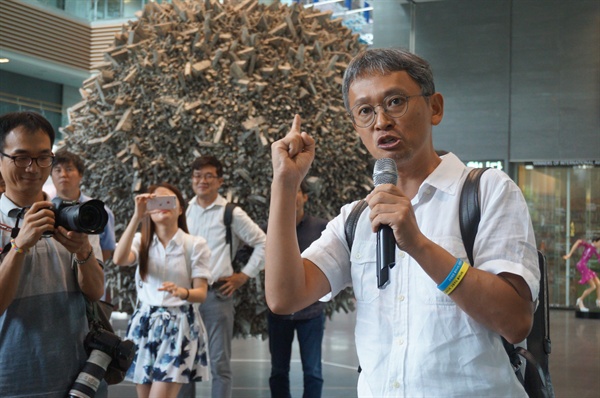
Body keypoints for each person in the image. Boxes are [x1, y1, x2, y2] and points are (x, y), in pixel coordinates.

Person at [265, 48, 540, 397]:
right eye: (365, 111)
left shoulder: (486, 192)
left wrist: (420, 246)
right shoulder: (356, 218)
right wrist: (285, 185)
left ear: (434, 107)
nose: (381, 121)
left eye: (395, 101)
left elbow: (516, 322)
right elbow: (284, 297)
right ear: (357, 126)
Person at [0, 111, 104, 397]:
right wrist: (20, 245)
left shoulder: (72, 217)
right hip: (11, 379)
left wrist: (82, 249)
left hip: (75, 378)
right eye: (21, 157)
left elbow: (95, 292)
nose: (33, 168)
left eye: (43, 157)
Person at [113, 182, 212, 398]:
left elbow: (201, 293)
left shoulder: (195, 244)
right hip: (144, 324)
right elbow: (119, 258)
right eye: (156, 202)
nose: (162, 207)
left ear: (181, 208)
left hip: (180, 326)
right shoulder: (141, 241)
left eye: (169, 201)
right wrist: (137, 217)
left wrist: (182, 292)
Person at [185, 155, 266, 398]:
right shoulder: (184, 211)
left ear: (220, 181)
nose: (203, 181)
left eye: (209, 176)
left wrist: (244, 276)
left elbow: (264, 243)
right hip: (186, 296)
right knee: (184, 361)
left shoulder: (231, 213)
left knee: (219, 363)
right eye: (198, 176)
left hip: (217, 295)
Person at [267, 180, 328, 398]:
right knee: (278, 371)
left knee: (313, 371)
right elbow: (253, 251)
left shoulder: (321, 227)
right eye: (288, 190)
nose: (292, 196)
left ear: (305, 197)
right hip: (279, 315)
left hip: (311, 313)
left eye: (297, 191)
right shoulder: (273, 228)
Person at [51, 149, 116, 262]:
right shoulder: (47, 209)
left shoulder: (98, 210)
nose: (63, 175)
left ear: (80, 174)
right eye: (57, 170)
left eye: (69, 169)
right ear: (51, 175)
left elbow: (106, 250)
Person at [563, 236, 600, 312]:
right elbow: (579, 241)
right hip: (581, 266)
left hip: (584, 266)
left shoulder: (594, 250)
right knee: (593, 286)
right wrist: (570, 254)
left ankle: (598, 300)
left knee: (598, 283)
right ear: (595, 241)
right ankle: (580, 300)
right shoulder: (588, 246)